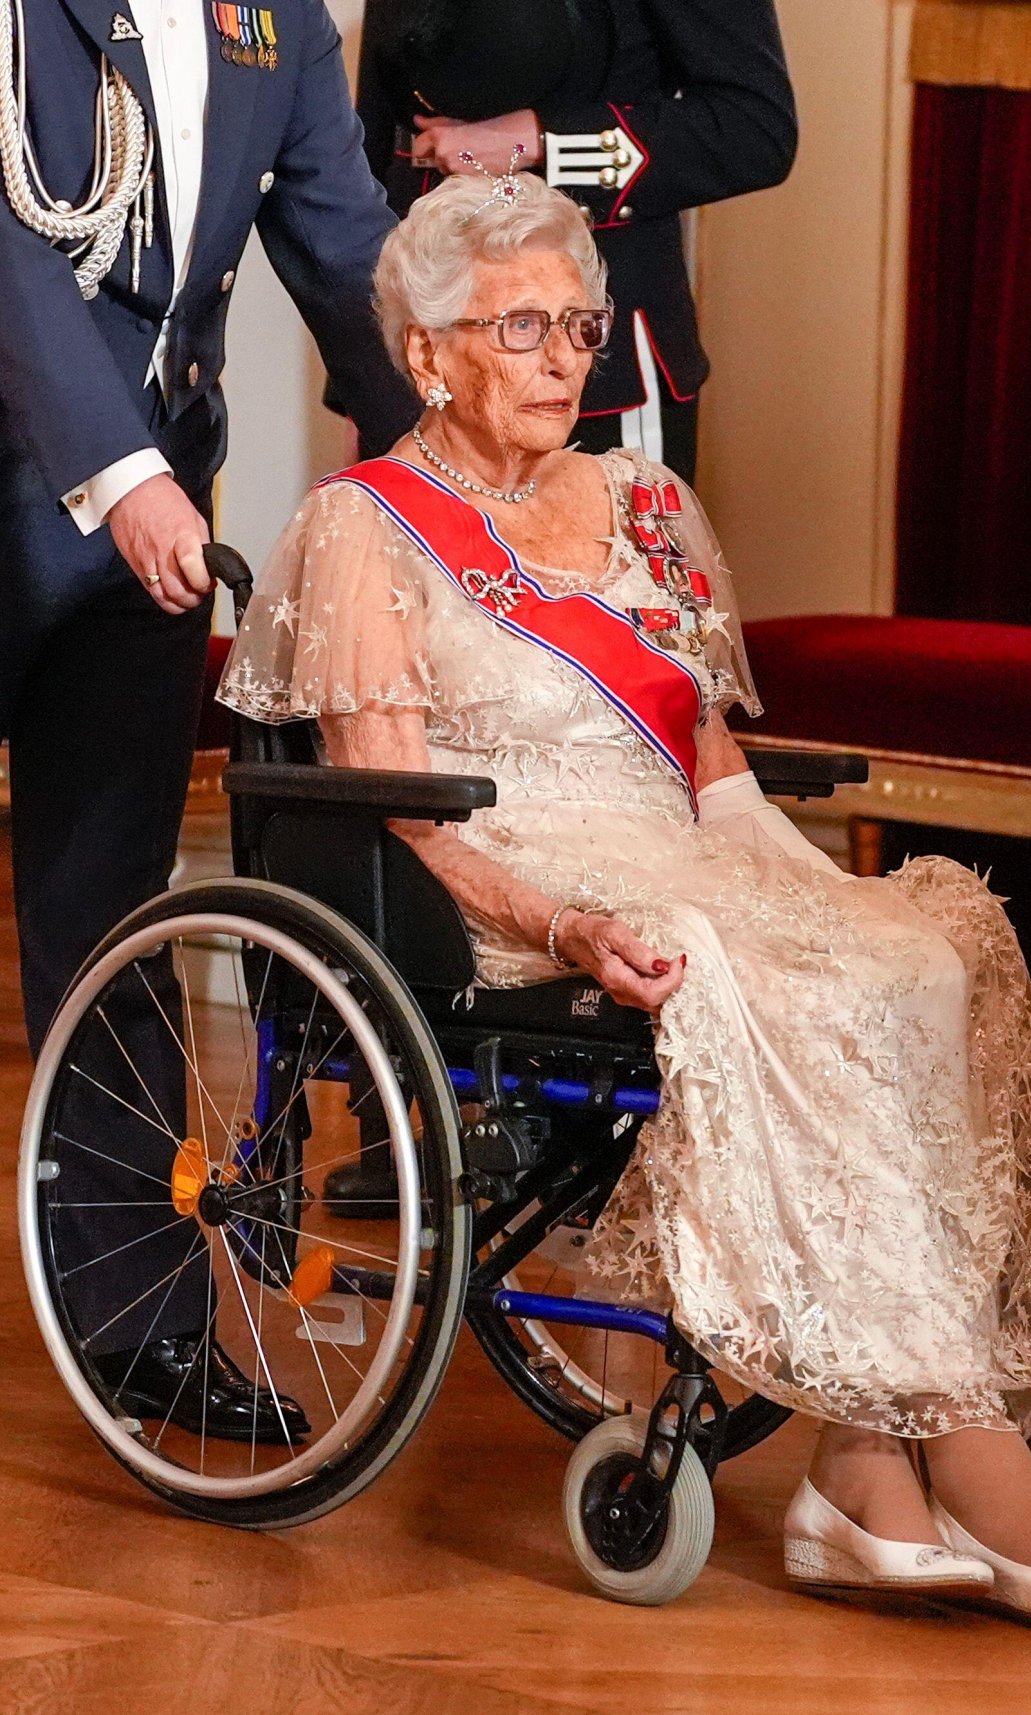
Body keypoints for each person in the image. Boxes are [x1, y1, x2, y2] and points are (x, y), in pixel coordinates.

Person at [220, 168, 1031, 1618]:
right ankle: (944, 1451)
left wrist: (798, 880)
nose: (563, 361)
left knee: (918, 954)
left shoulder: (649, 500)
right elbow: (398, 815)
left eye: (580, 328)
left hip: (684, 845)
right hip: (515, 877)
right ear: (426, 352)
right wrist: (571, 922)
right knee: (771, 972)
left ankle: (867, 1459)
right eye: (521, 328)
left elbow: (708, 750)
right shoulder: (368, 529)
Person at [0, 0, 415, 1439]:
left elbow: (346, 245)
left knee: (108, 915)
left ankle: (135, 1320)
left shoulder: (275, 18)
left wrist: (451, 456)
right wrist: (120, 471)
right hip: (100, 477)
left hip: (147, 511)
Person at [351, 0, 798, 481]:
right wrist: (360, 369)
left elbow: (755, 128)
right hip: (425, 349)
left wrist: (546, 139)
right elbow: (374, 139)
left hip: (591, 354)